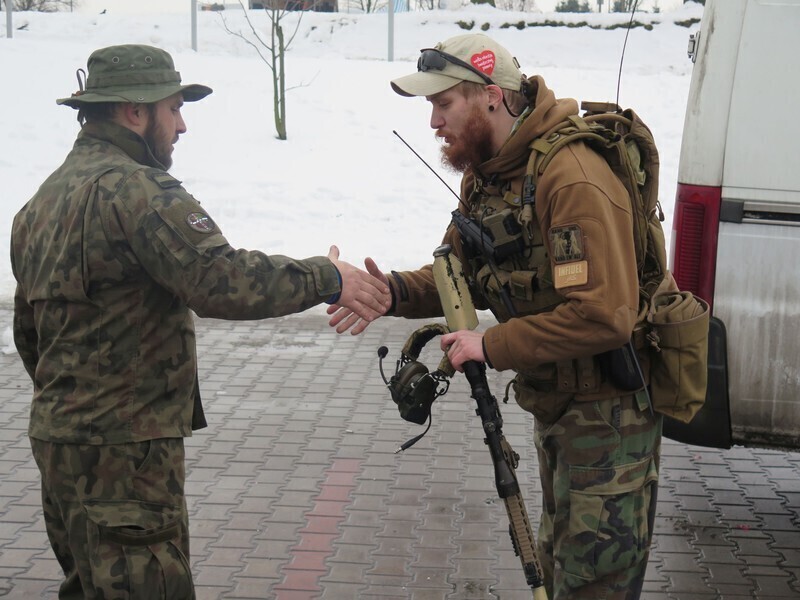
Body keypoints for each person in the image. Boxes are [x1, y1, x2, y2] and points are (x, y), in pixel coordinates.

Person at [10, 44, 390, 599]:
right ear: (135, 111)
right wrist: (326, 277)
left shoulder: (40, 203)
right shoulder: (139, 192)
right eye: (174, 108)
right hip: (127, 454)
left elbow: (29, 332)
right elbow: (219, 279)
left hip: (59, 443)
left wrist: (76, 402)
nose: (182, 125)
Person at [329, 33, 661, 600]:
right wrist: (386, 292)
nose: (433, 121)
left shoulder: (570, 175)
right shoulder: (490, 175)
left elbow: (607, 315)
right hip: (557, 409)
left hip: (609, 420)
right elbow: (454, 271)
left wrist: (492, 345)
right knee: (560, 570)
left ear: (489, 96)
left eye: (442, 104)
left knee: (594, 585)